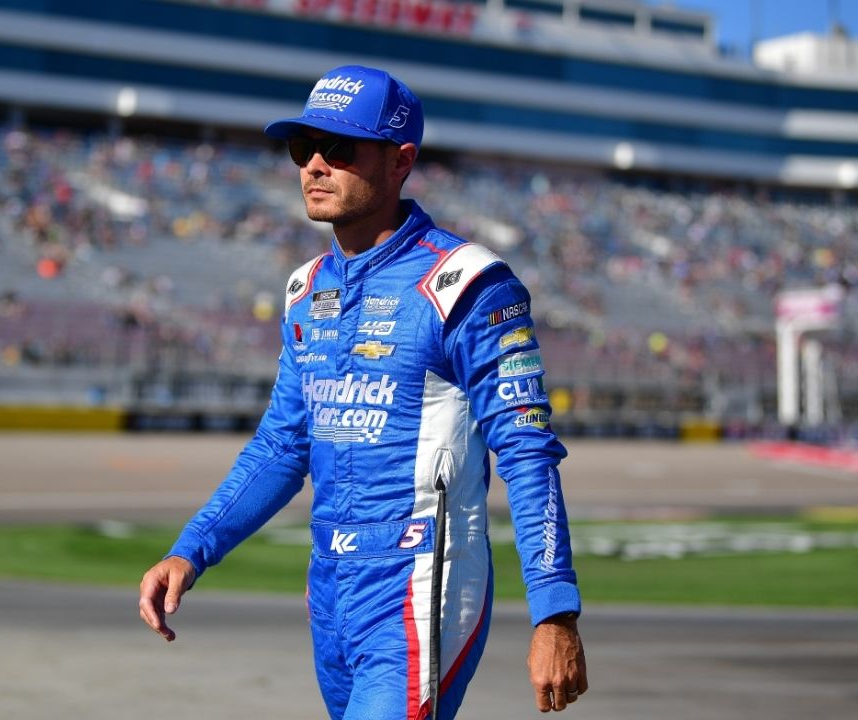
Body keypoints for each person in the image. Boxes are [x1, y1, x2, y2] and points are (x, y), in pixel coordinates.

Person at [140, 65, 589, 719]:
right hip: (330, 588)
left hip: (421, 584)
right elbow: (282, 446)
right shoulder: (304, 290)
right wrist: (191, 548)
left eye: (341, 148)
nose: (316, 165)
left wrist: (555, 610)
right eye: (303, 148)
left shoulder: (465, 283)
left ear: (401, 160)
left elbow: (526, 451)